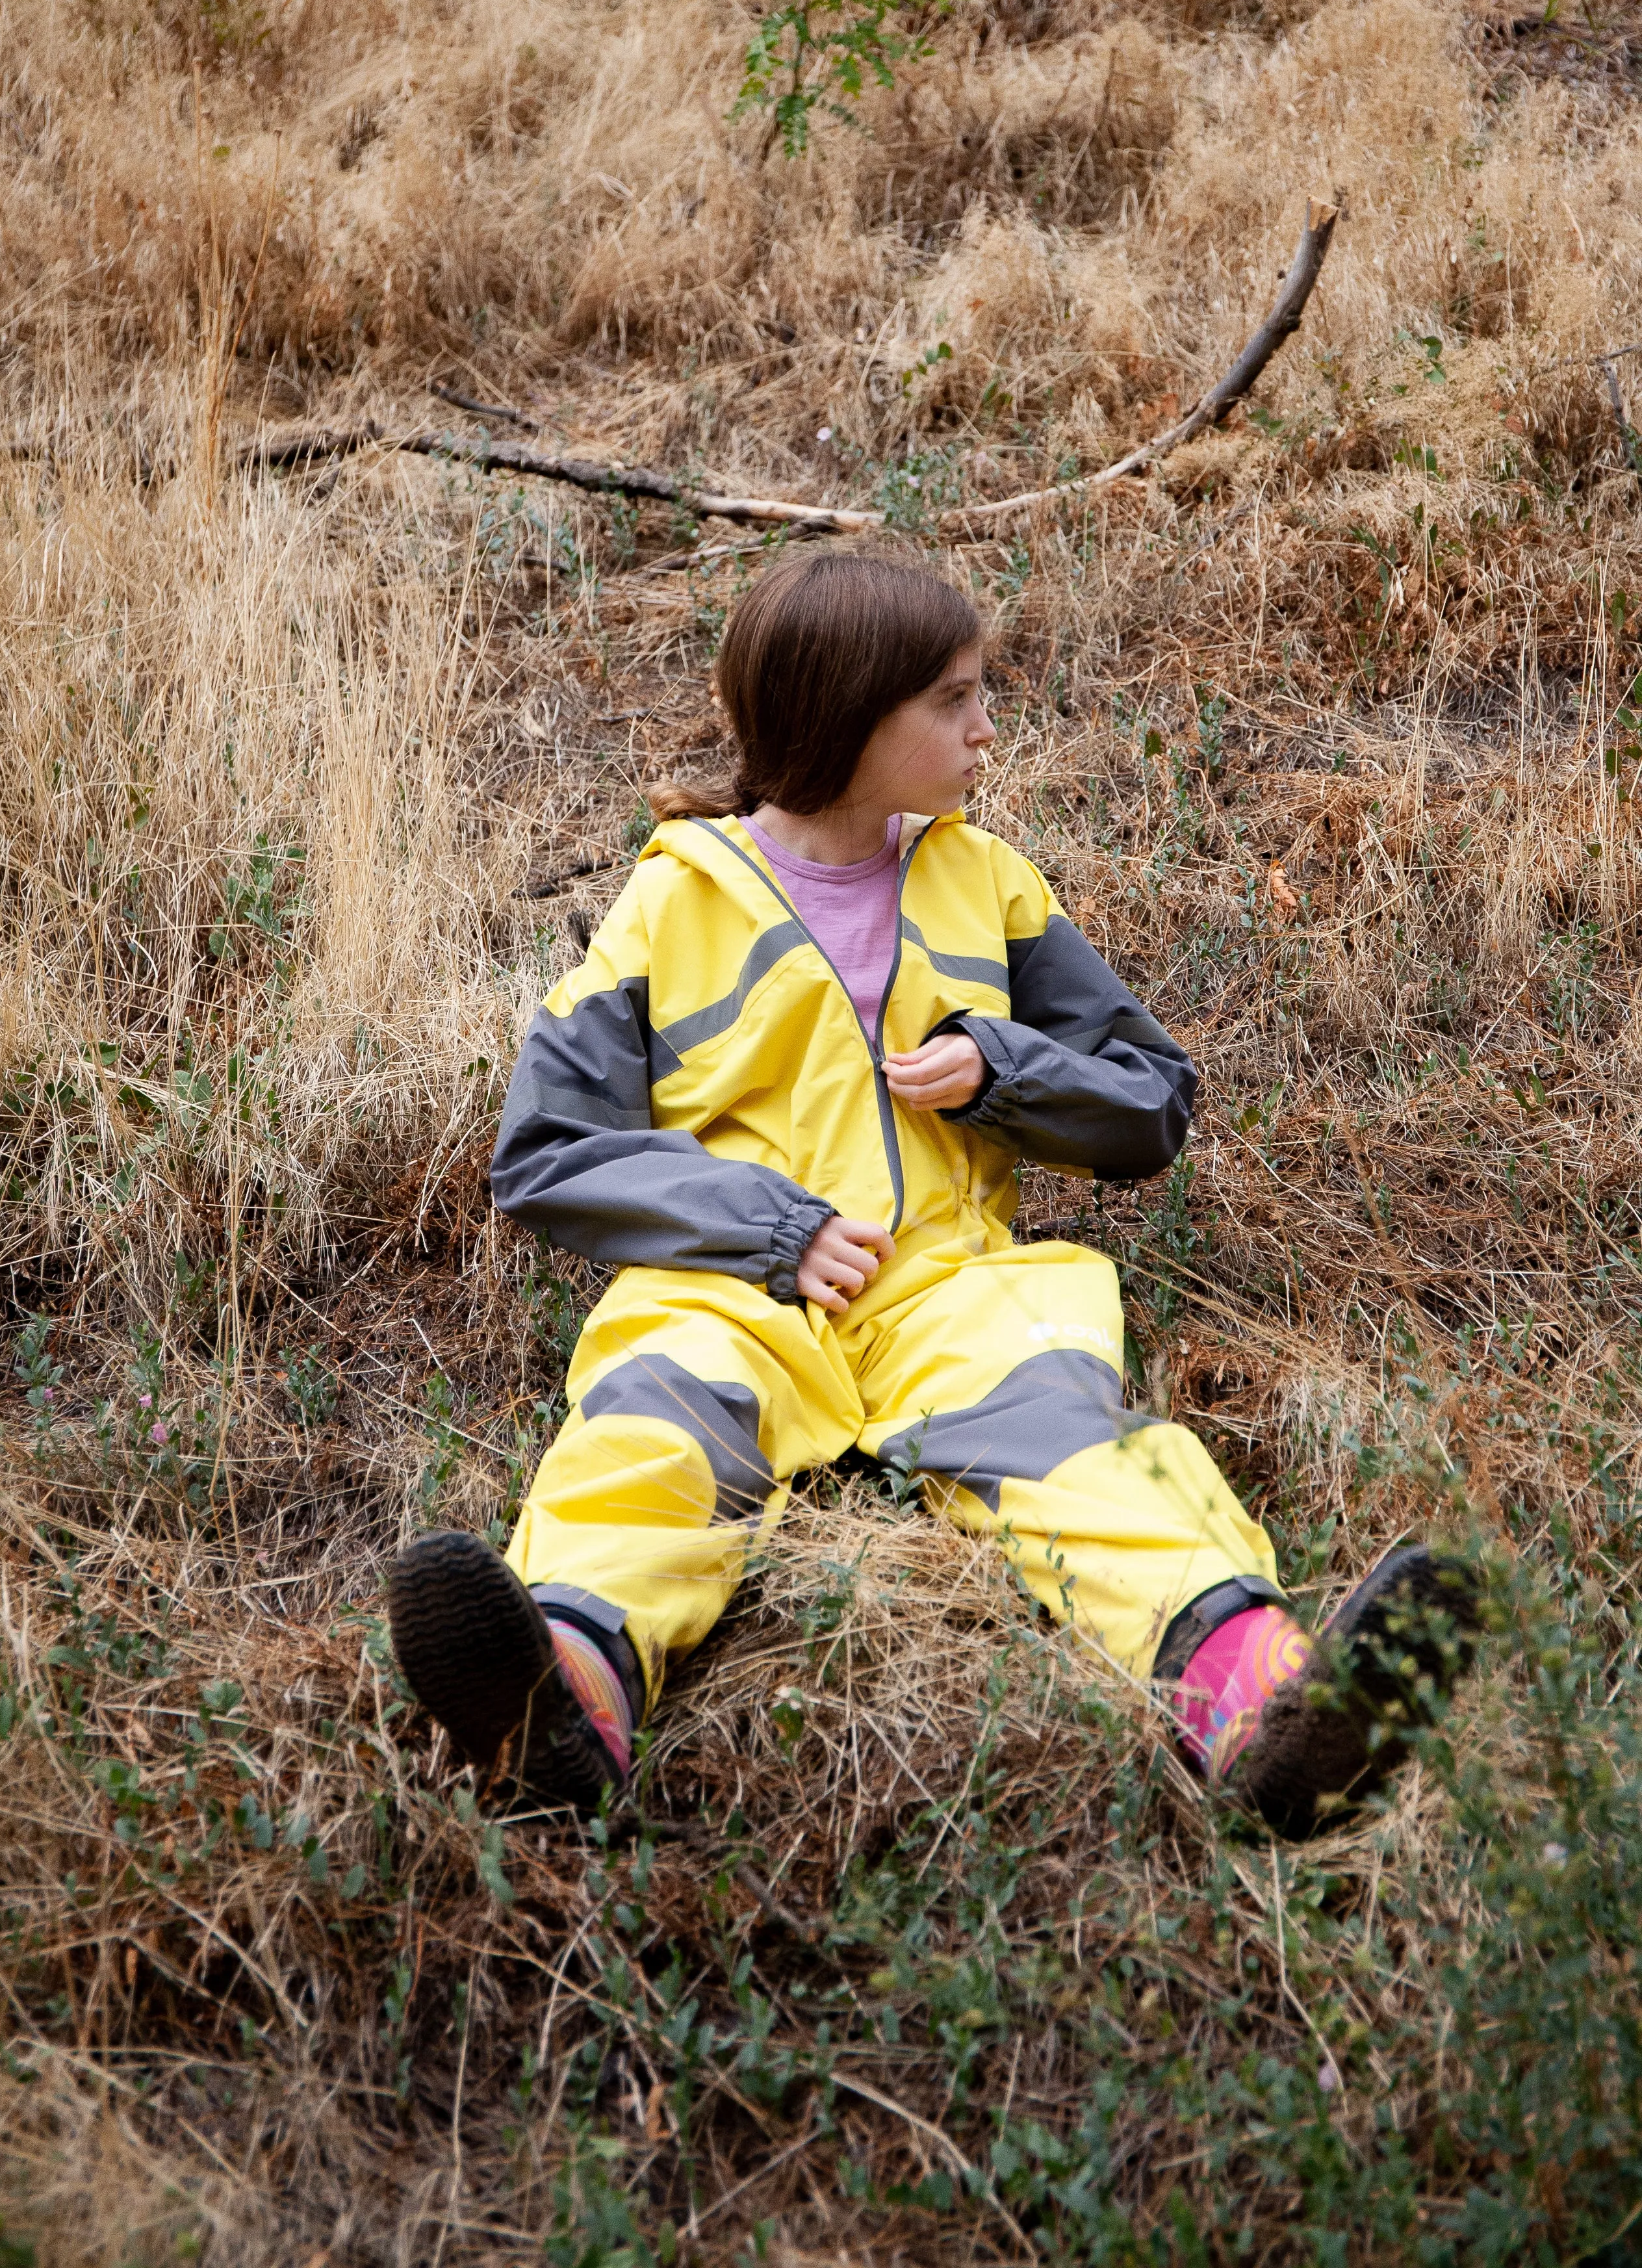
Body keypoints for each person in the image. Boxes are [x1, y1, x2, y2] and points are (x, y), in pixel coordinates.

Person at [389, 553, 1480, 1835]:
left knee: (1090, 1455)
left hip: (952, 1284)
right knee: (647, 1443)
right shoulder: (669, 898)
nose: (986, 724)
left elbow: (1150, 1100)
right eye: (954, 699)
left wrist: (1000, 1068)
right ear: (850, 719)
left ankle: (1267, 1713)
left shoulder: (991, 883)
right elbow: (549, 1147)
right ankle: (559, 1705)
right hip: (727, 1286)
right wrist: (768, 1229)